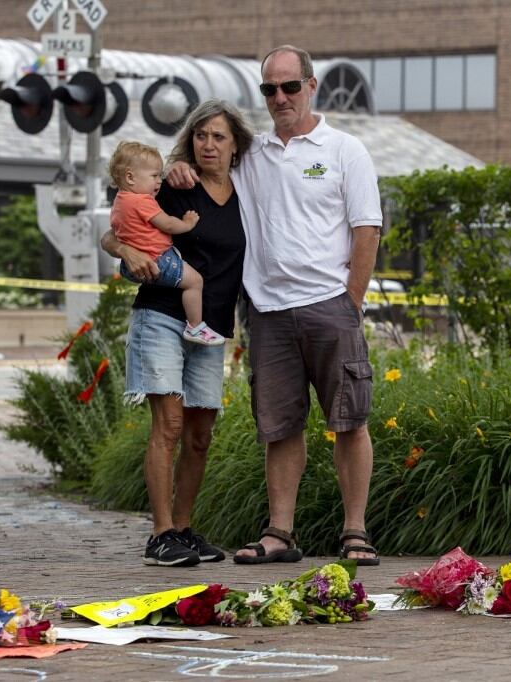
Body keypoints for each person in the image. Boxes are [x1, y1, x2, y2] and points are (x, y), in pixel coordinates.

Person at [167, 44, 383, 566]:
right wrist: (175, 164)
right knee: (279, 428)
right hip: (267, 313)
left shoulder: (344, 150)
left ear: (311, 86)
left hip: (330, 305)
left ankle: (355, 532)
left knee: (349, 421)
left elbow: (367, 230)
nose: (280, 97)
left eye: (290, 86)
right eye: (270, 88)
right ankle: (279, 534)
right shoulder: (253, 155)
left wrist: (350, 303)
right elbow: (206, 158)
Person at [100, 101, 253, 567]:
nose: (209, 144)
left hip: (211, 329)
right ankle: (160, 534)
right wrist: (126, 251)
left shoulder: (251, 192)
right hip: (162, 317)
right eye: (201, 135)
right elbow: (111, 233)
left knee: (201, 434)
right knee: (168, 424)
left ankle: (184, 530)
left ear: (235, 146)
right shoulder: (170, 187)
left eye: (219, 136)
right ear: (191, 140)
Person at [107, 140, 224, 346]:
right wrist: (187, 223)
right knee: (194, 282)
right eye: (154, 176)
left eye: (160, 175)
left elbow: (115, 233)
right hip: (158, 260)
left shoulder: (119, 202)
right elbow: (168, 224)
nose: (159, 181)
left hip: (131, 267)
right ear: (130, 177)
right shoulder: (142, 201)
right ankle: (195, 326)